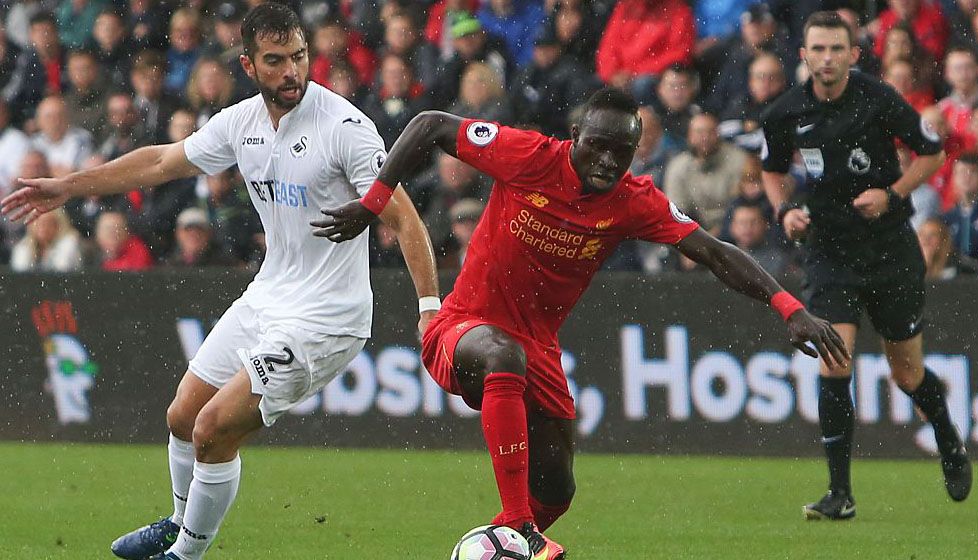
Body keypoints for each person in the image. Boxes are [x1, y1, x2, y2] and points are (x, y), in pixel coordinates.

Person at [312, 87, 849, 559]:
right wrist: (372, 201)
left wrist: (789, 307)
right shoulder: (526, 154)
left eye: (623, 150)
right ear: (575, 137)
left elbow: (713, 251)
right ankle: (516, 527)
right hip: (462, 328)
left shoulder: (634, 202)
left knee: (558, 490)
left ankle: (503, 547)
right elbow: (429, 124)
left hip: (538, 350)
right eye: (598, 144)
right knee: (503, 356)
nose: (608, 160)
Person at [1, 4, 439, 560]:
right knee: (182, 416)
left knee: (213, 429)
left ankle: (186, 553)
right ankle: (180, 521)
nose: (291, 73)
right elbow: (162, 162)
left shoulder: (345, 129)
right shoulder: (241, 123)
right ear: (249, 65)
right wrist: (69, 186)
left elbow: (404, 217)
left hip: (326, 318)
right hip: (267, 297)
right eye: (275, 61)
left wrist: (429, 307)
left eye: (299, 57)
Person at [760, 11, 972, 521]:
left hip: (889, 253)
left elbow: (932, 152)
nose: (828, 58)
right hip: (829, 253)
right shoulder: (785, 112)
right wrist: (785, 210)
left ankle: (948, 439)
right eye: (819, 49)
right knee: (835, 357)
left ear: (855, 55)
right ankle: (840, 493)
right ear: (804, 55)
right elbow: (770, 169)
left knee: (906, 373)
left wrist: (893, 193)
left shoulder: (878, 99)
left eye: (838, 49)